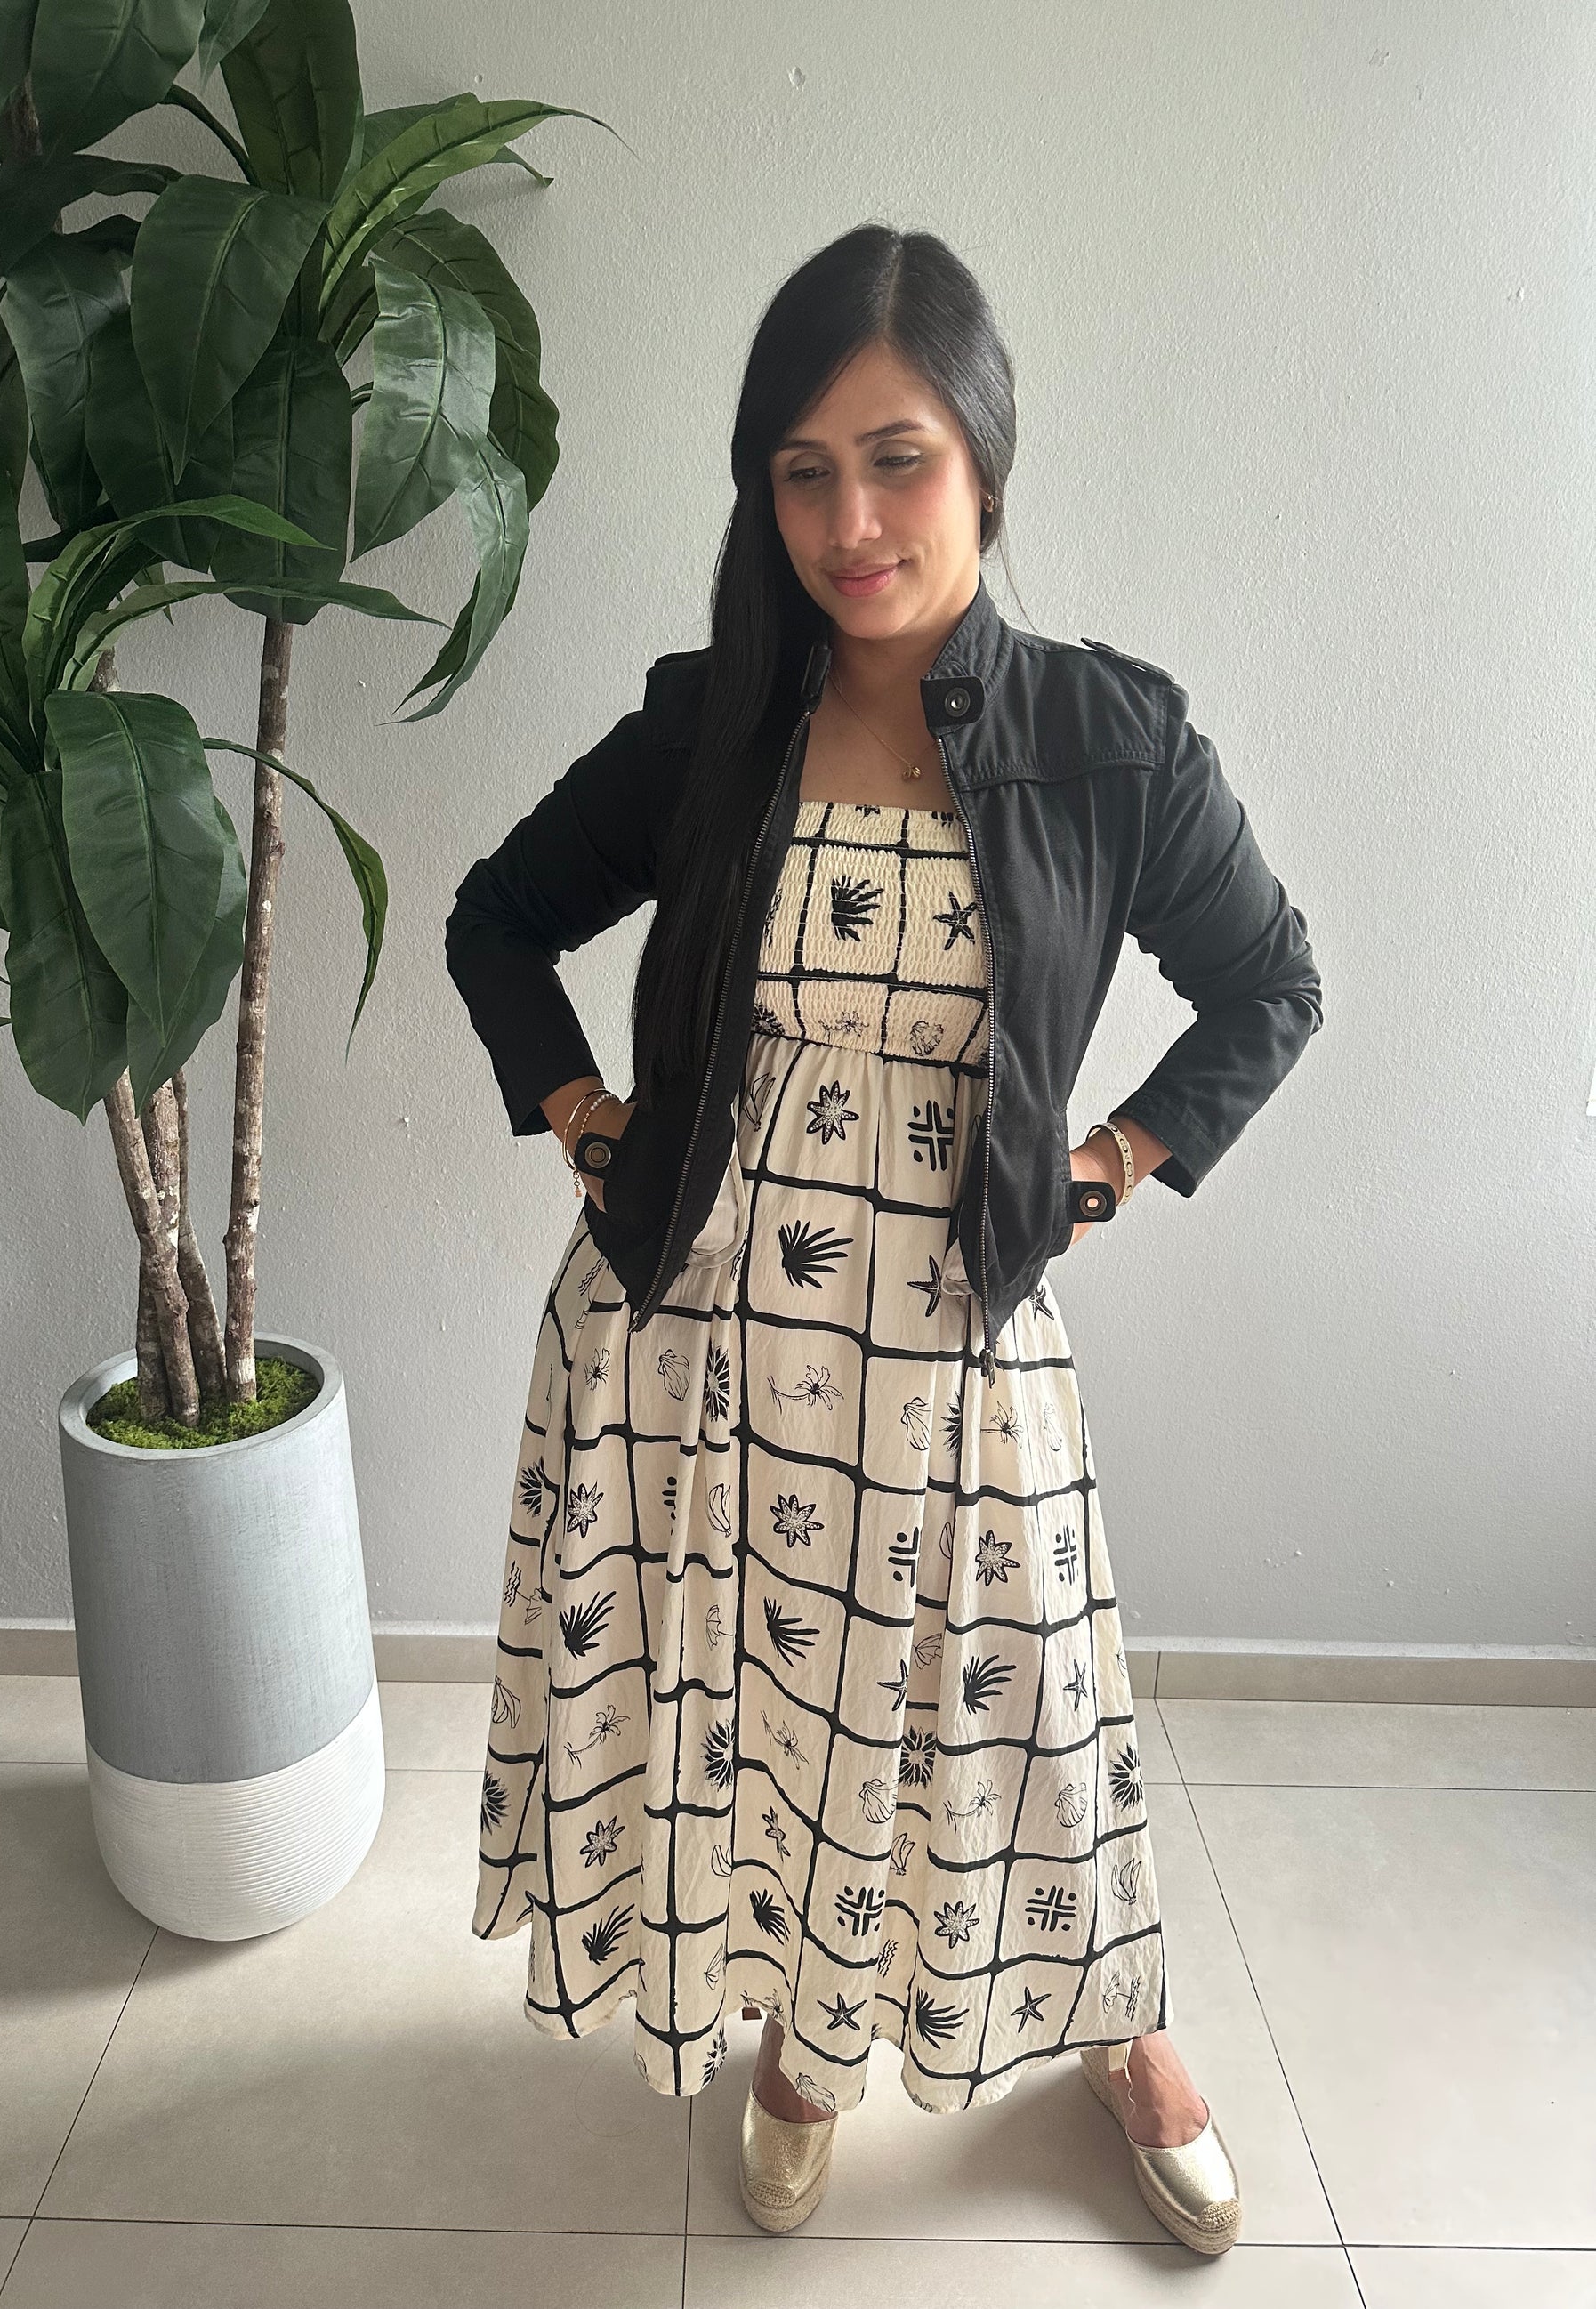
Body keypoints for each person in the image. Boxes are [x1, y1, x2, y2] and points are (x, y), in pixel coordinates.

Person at [445, 222, 1323, 2256]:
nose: (850, 522)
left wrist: (1105, 1166)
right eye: (803, 471)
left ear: (983, 462)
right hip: (689, 1339)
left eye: (897, 458)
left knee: (1025, 1710)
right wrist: (581, 1114)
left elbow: (1268, 984)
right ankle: (803, 2040)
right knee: (769, 1716)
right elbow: (498, 919)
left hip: (944, 1343)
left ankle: (1124, 2024)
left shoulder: (1110, 738)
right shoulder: (712, 726)